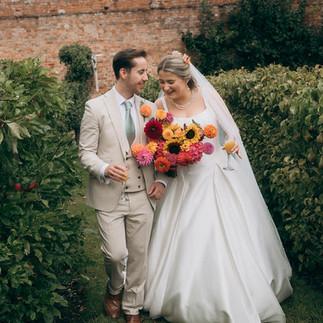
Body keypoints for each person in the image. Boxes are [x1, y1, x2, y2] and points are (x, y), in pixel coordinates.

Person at [143, 53, 293, 323]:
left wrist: (232, 142)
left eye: (170, 82)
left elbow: (231, 130)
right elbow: (158, 148)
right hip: (183, 182)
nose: (165, 88)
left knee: (224, 232)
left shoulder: (208, 96)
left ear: (186, 78)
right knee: (183, 233)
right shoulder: (160, 105)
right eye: (162, 82)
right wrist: (168, 166)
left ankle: (237, 293)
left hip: (214, 176)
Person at [78, 48, 168, 323]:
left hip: (143, 193)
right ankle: (114, 289)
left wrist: (162, 179)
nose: (146, 77)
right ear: (123, 73)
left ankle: (132, 308)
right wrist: (104, 168)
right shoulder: (95, 107)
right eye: (141, 72)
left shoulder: (151, 108)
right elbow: (85, 152)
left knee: (139, 255)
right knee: (116, 255)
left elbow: (165, 150)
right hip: (109, 195)